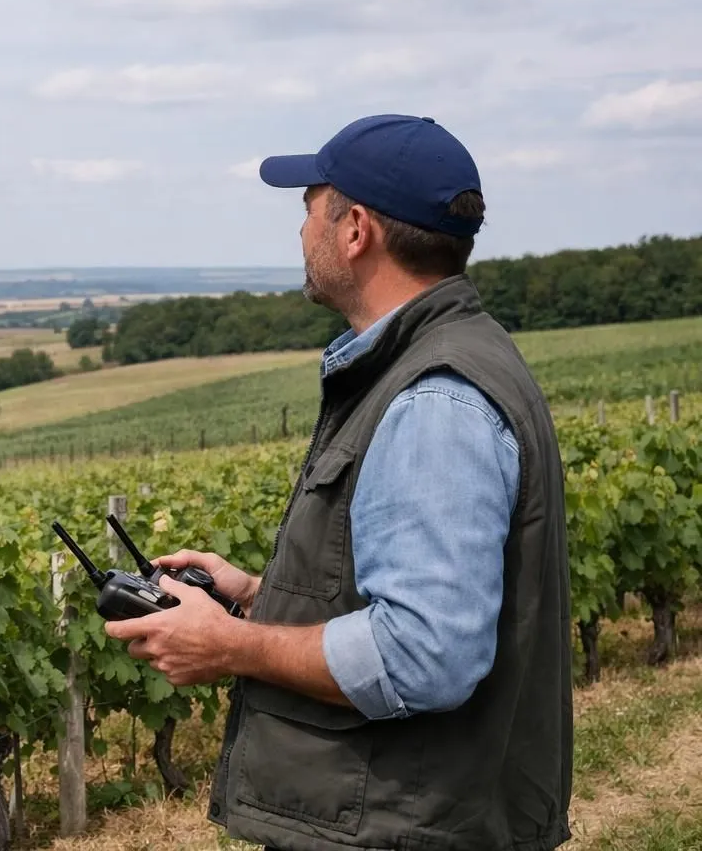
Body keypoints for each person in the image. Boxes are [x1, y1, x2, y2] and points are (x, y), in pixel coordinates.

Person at [104, 114, 571, 851]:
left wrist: (232, 647)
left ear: (355, 230)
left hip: (394, 824)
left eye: (308, 210)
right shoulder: (442, 362)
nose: (300, 234)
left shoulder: (433, 401)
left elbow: (424, 656)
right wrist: (263, 597)